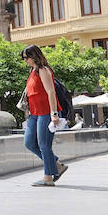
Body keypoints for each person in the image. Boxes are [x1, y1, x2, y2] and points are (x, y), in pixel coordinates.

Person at [21, 44, 66, 186]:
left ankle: (48, 178)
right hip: (34, 113)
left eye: (26, 57)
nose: (25, 60)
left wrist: (54, 114)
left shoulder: (43, 70)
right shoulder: (32, 71)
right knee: (29, 142)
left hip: (46, 112)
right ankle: (57, 164)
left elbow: (51, 92)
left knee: (44, 145)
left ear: (34, 56)